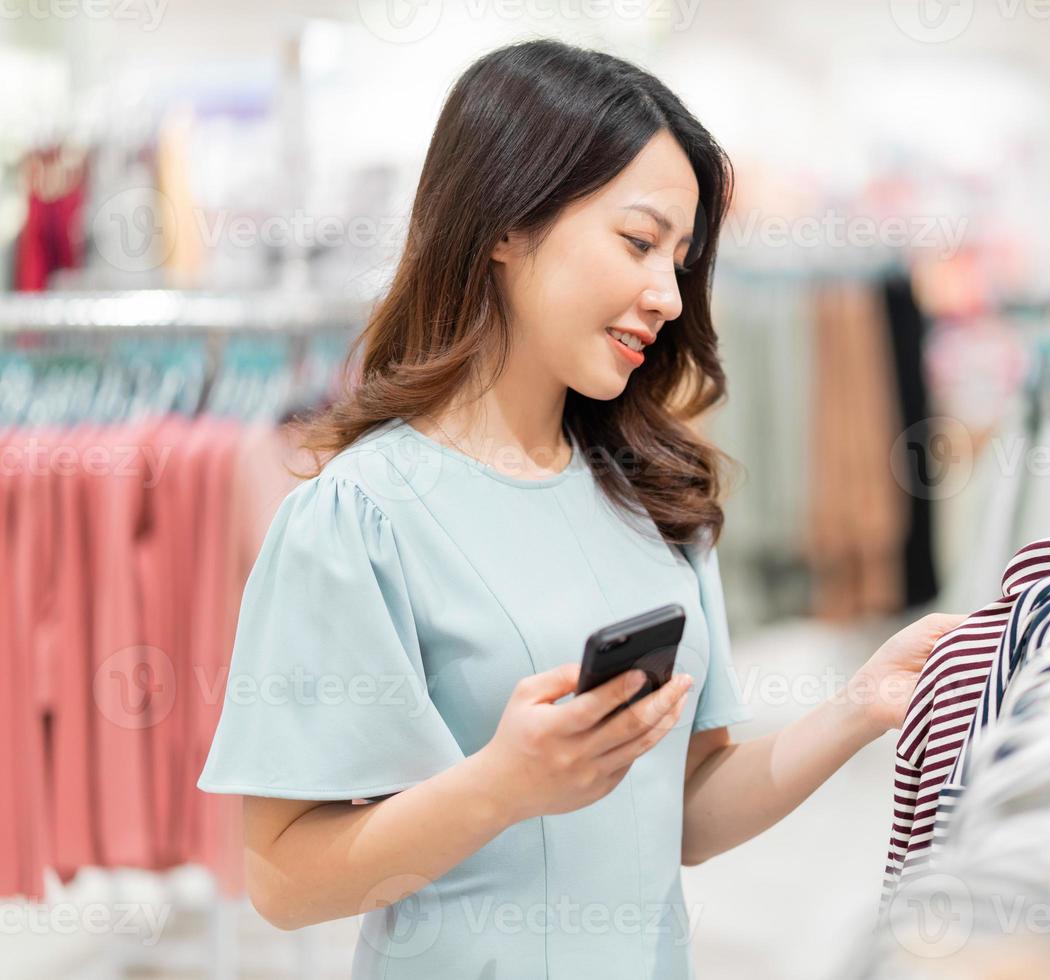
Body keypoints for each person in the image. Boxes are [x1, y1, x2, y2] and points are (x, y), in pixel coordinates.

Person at [196, 38, 964, 979]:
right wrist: (503, 786)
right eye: (639, 244)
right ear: (505, 223)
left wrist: (859, 707)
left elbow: (684, 808)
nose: (667, 296)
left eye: (680, 260)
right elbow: (282, 876)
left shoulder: (653, 498)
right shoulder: (358, 516)